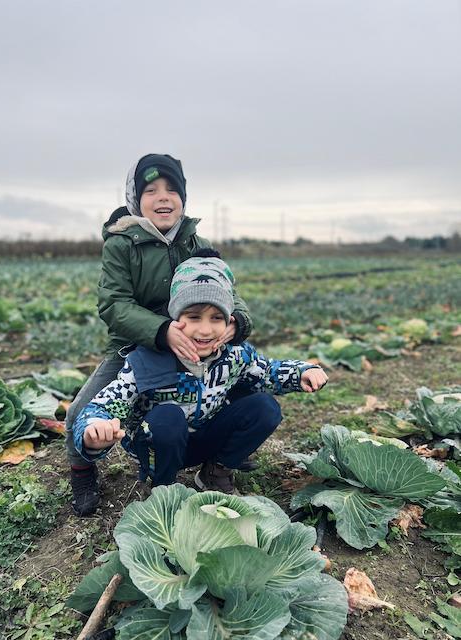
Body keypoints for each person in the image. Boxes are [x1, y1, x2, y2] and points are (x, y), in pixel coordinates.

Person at [66, 154, 252, 515]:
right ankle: (82, 472)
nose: (163, 197)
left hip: (196, 341)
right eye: (151, 190)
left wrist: (236, 322)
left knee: (243, 386)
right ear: (136, 198)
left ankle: (220, 457)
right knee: (79, 412)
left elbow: (229, 292)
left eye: (172, 189)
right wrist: (162, 330)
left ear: (184, 197)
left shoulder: (196, 242)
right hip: (134, 345)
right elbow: (114, 305)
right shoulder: (121, 244)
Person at [72, 250, 328, 506]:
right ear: (175, 319)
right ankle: (164, 489)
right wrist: (94, 430)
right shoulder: (145, 361)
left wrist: (301, 372)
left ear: (229, 321)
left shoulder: (234, 356)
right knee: (166, 419)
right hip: (158, 446)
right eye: (193, 317)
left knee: (265, 407)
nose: (205, 330)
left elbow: (269, 372)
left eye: (216, 318)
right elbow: (103, 405)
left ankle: (214, 473)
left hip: (204, 439)